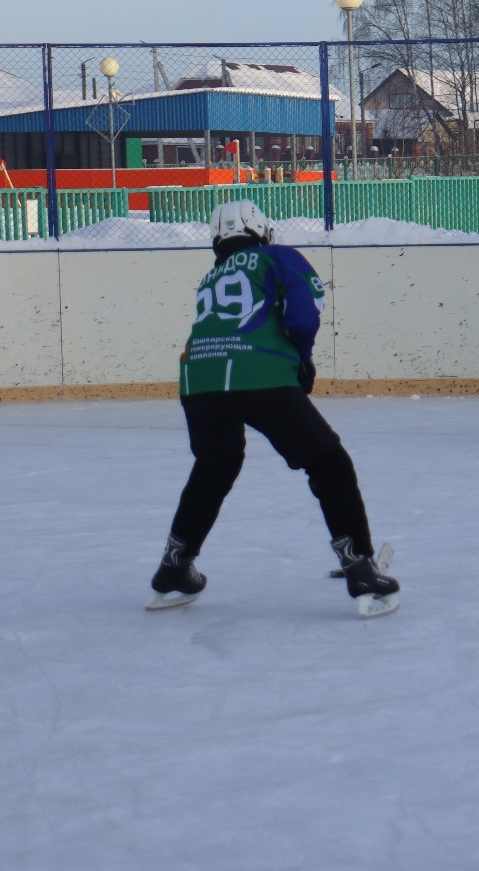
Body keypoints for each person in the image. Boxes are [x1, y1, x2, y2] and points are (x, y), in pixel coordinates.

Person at [146, 200, 400, 618]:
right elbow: (303, 314)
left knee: (214, 467)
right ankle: (360, 566)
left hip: (198, 380)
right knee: (328, 463)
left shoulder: (211, 276)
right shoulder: (278, 256)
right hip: (258, 373)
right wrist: (303, 356)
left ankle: (175, 565)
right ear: (262, 230)